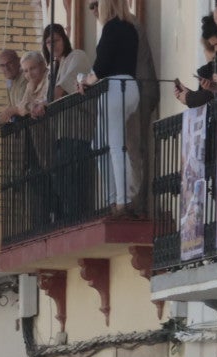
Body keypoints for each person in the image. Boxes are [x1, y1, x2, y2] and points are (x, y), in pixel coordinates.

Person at [78, 0, 141, 211]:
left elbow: (101, 66)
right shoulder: (130, 28)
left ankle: (121, 201)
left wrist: (85, 80)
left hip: (115, 89)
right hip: (130, 87)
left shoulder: (111, 27)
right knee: (100, 143)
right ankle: (115, 197)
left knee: (115, 145)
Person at [42, 23, 92, 101]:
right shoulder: (52, 68)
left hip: (78, 111)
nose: (53, 45)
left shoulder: (77, 55)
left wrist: (44, 105)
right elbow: (46, 96)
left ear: (64, 40)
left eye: (56, 40)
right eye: (48, 42)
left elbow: (61, 91)